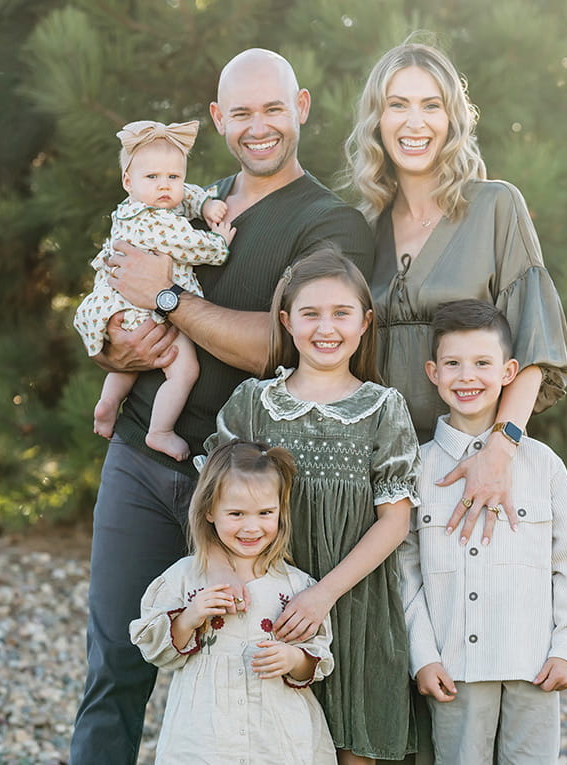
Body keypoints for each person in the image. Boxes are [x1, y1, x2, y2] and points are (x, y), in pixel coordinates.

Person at [70, 48, 374, 765]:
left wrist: (170, 298)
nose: (258, 125)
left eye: (274, 108)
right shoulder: (179, 198)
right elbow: (116, 292)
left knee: (254, 667)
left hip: (246, 485)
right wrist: (117, 346)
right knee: (116, 659)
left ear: (300, 109)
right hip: (143, 456)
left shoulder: (330, 225)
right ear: (217, 119)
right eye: (241, 112)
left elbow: (282, 343)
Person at [345, 41, 567, 546]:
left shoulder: (495, 206)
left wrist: (500, 450)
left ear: (452, 119)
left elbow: (534, 346)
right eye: (397, 105)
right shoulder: (361, 227)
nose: (415, 122)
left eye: (431, 105)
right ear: (376, 121)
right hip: (377, 478)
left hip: (472, 466)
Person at [204, 249, 420, 764]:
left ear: (366, 323)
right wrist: (221, 576)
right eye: (311, 313)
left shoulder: (384, 408)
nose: (327, 327)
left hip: (352, 604)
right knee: (268, 741)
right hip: (268, 604)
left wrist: (322, 596)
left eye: (342, 313)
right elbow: (210, 505)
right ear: (287, 321)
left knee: (351, 746)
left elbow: (394, 521)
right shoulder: (254, 402)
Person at [399, 299, 567, 764]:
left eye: (482, 363)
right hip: (455, 670)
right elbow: (404, 569)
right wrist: (422, 655)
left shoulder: (542, 465)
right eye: (453, 363)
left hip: (534, 665)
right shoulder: (419, 467)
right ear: (433, 372)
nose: (466, 376)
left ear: (510, 371)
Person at [129, 439, 337, 764]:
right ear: (210, 510)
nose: (251, 527)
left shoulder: (296, 586)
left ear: (281, 511)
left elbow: (317, 657)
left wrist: (293, 659)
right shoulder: (185, 577)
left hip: (279, 736)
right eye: (236, 513)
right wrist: (190, 617)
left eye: (265, 513)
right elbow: (156, 650)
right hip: (204, 735)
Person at [73, 119, 235, 462]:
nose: (165, 186)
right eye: (153, 178)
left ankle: (108, 404)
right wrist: (219, 241)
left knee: (130, 362)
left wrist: (203, 204)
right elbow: (193, 246)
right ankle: (160, 431)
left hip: (121, 306)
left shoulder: (135, 205)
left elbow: (185, 193)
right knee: (185, 370)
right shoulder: (157, 223)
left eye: (172, 177)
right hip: (145, 307)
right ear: (127, 181)